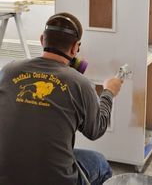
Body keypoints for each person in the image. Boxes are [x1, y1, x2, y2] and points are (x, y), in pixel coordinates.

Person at [0, 12, 123, 185]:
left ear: (42, 40)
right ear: (74, 48)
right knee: (100, 163)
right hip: (56, 180)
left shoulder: (8, 71)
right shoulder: (80, 84)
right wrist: (109, 92)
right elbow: (96, 129)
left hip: (6, 177)